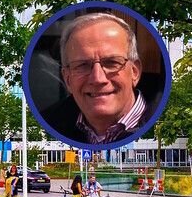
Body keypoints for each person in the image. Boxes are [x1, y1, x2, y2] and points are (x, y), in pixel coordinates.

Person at [42, 13, 153, 144]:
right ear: (67, 79)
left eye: (111, 62)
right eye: (83, 65)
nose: (98, 79)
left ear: (134, 72)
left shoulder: (159, 123)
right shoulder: (53, 123)